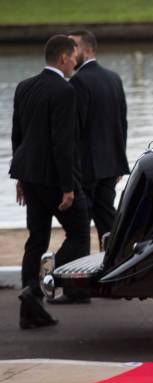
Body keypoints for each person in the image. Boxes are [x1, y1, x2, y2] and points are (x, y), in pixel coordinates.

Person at [10, 34, 90, 329]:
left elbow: (17, 135)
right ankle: (37, 288)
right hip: (54, 178)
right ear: (62, 59)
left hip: (29, 173)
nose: (75, 62)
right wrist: (68, 186)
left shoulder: (24, 87)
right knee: (80, 233)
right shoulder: (64, 91)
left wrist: (19, 177)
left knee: (37, 238)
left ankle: (29, 309)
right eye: (73, 57)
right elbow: (63, 143)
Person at [47, 30, 129, 305]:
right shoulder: (114, 78)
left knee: (82, 226)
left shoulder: (79, 81)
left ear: (88, 50)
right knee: (109, 223)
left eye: (75, 46)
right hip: (111, 164)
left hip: (87, 168)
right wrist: (119, 161)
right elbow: (122, 123)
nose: (71, 50)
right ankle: (117, 278)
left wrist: (69, 172)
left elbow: (74, 130)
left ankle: (76, 288)